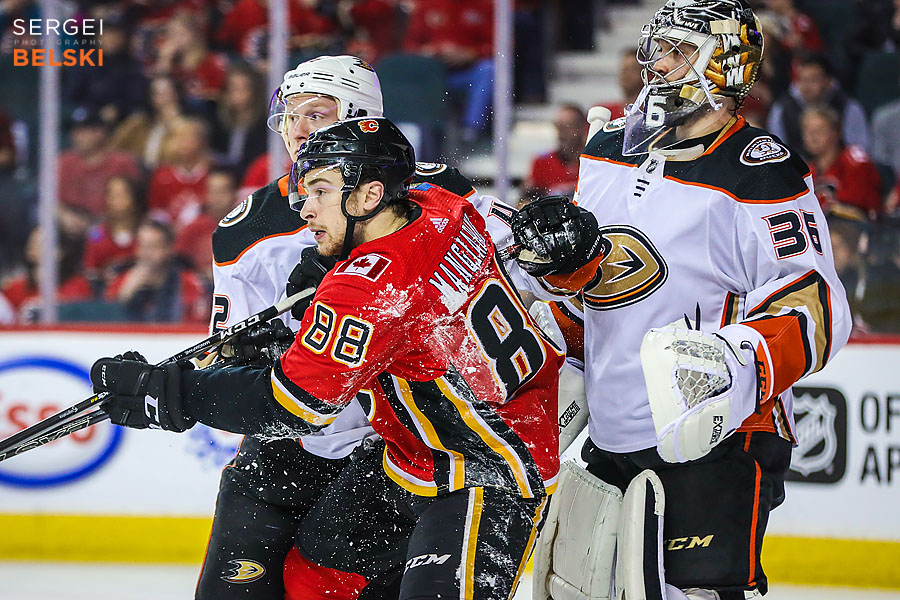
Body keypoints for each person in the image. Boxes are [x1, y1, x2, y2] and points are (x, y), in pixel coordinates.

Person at [89, 116, 564, 600]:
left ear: (368, 196)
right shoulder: (441, 206)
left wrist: (169, 394)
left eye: (319, 190)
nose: (305, 208)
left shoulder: (368, 290)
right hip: (412, 455)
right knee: (313, 575)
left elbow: (294, 406)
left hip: (493, 466)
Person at [514, 2, 852, 599]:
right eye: (657, 50)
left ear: (727, 64)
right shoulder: (606, 150)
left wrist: (732, 363)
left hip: (716, 435)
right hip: (611, 434)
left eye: (680, 52)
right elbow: (603, 288)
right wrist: (557, 288)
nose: (659, 66)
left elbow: (817, 306)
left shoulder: (760, 172)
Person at [198, 55, 525, 600]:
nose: (299, 128)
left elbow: (507, 276)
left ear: (361, 116)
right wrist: (267, 346)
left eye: (317, 113)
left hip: (398, 445)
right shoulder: (246, 230)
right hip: (291, 446)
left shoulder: (430, 194)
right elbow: (234, 355)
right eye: (289, 114)